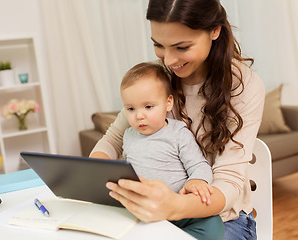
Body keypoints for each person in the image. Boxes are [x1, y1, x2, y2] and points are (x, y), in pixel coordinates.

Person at [90, 0, 265, 240]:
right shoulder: (156, 76)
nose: (169, 61)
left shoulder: (242, 85)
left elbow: (229, 183)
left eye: (181, 47)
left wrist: (173, 206)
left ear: (215, 31)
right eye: (158, 45)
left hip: (221, 220)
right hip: (151, 214)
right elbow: (113, 140)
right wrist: (94, 173)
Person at [119, 62, 224, 240]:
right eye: (131, 109)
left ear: (168, 103)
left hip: (182, 211)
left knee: (213, 226)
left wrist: (197, 180)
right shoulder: (129, 136)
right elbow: (126, 168)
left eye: (148, 107)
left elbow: (199, 164)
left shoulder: (178, 132)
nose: (139, 116)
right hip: (146, 211)